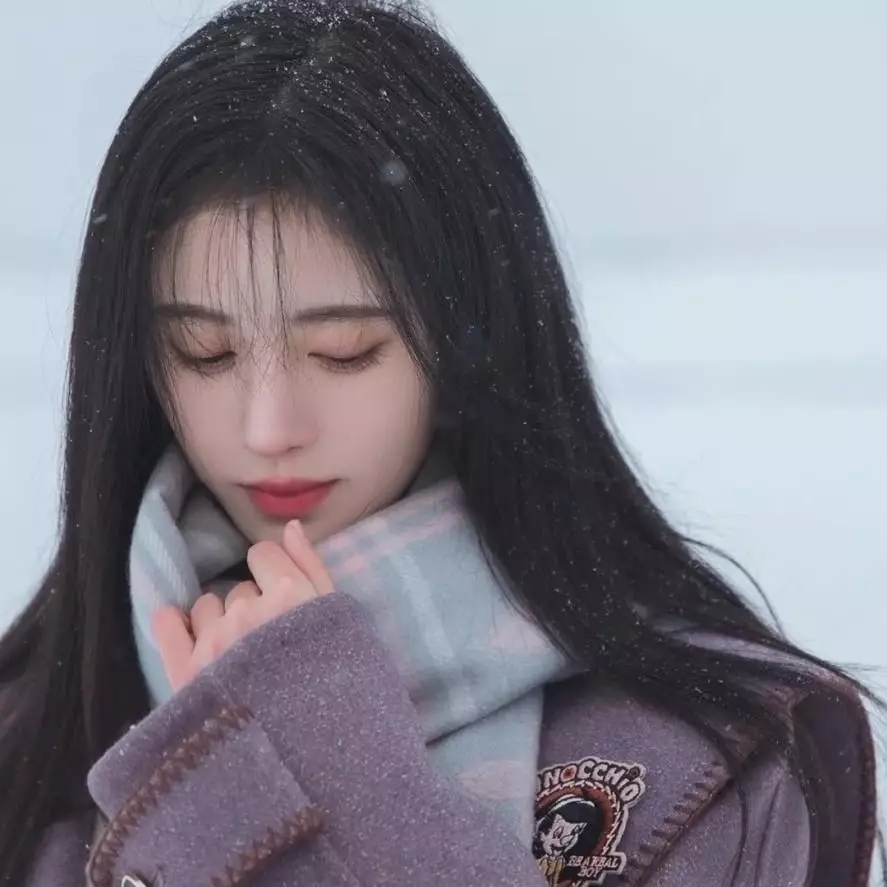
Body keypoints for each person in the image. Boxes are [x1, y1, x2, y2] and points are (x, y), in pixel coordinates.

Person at [0, 1, 878, 885]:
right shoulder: (27, 745)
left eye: (345, 351)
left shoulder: (713, 762)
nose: (269, 428)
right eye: (205, 351)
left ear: (466, 347)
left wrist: (316, 764)